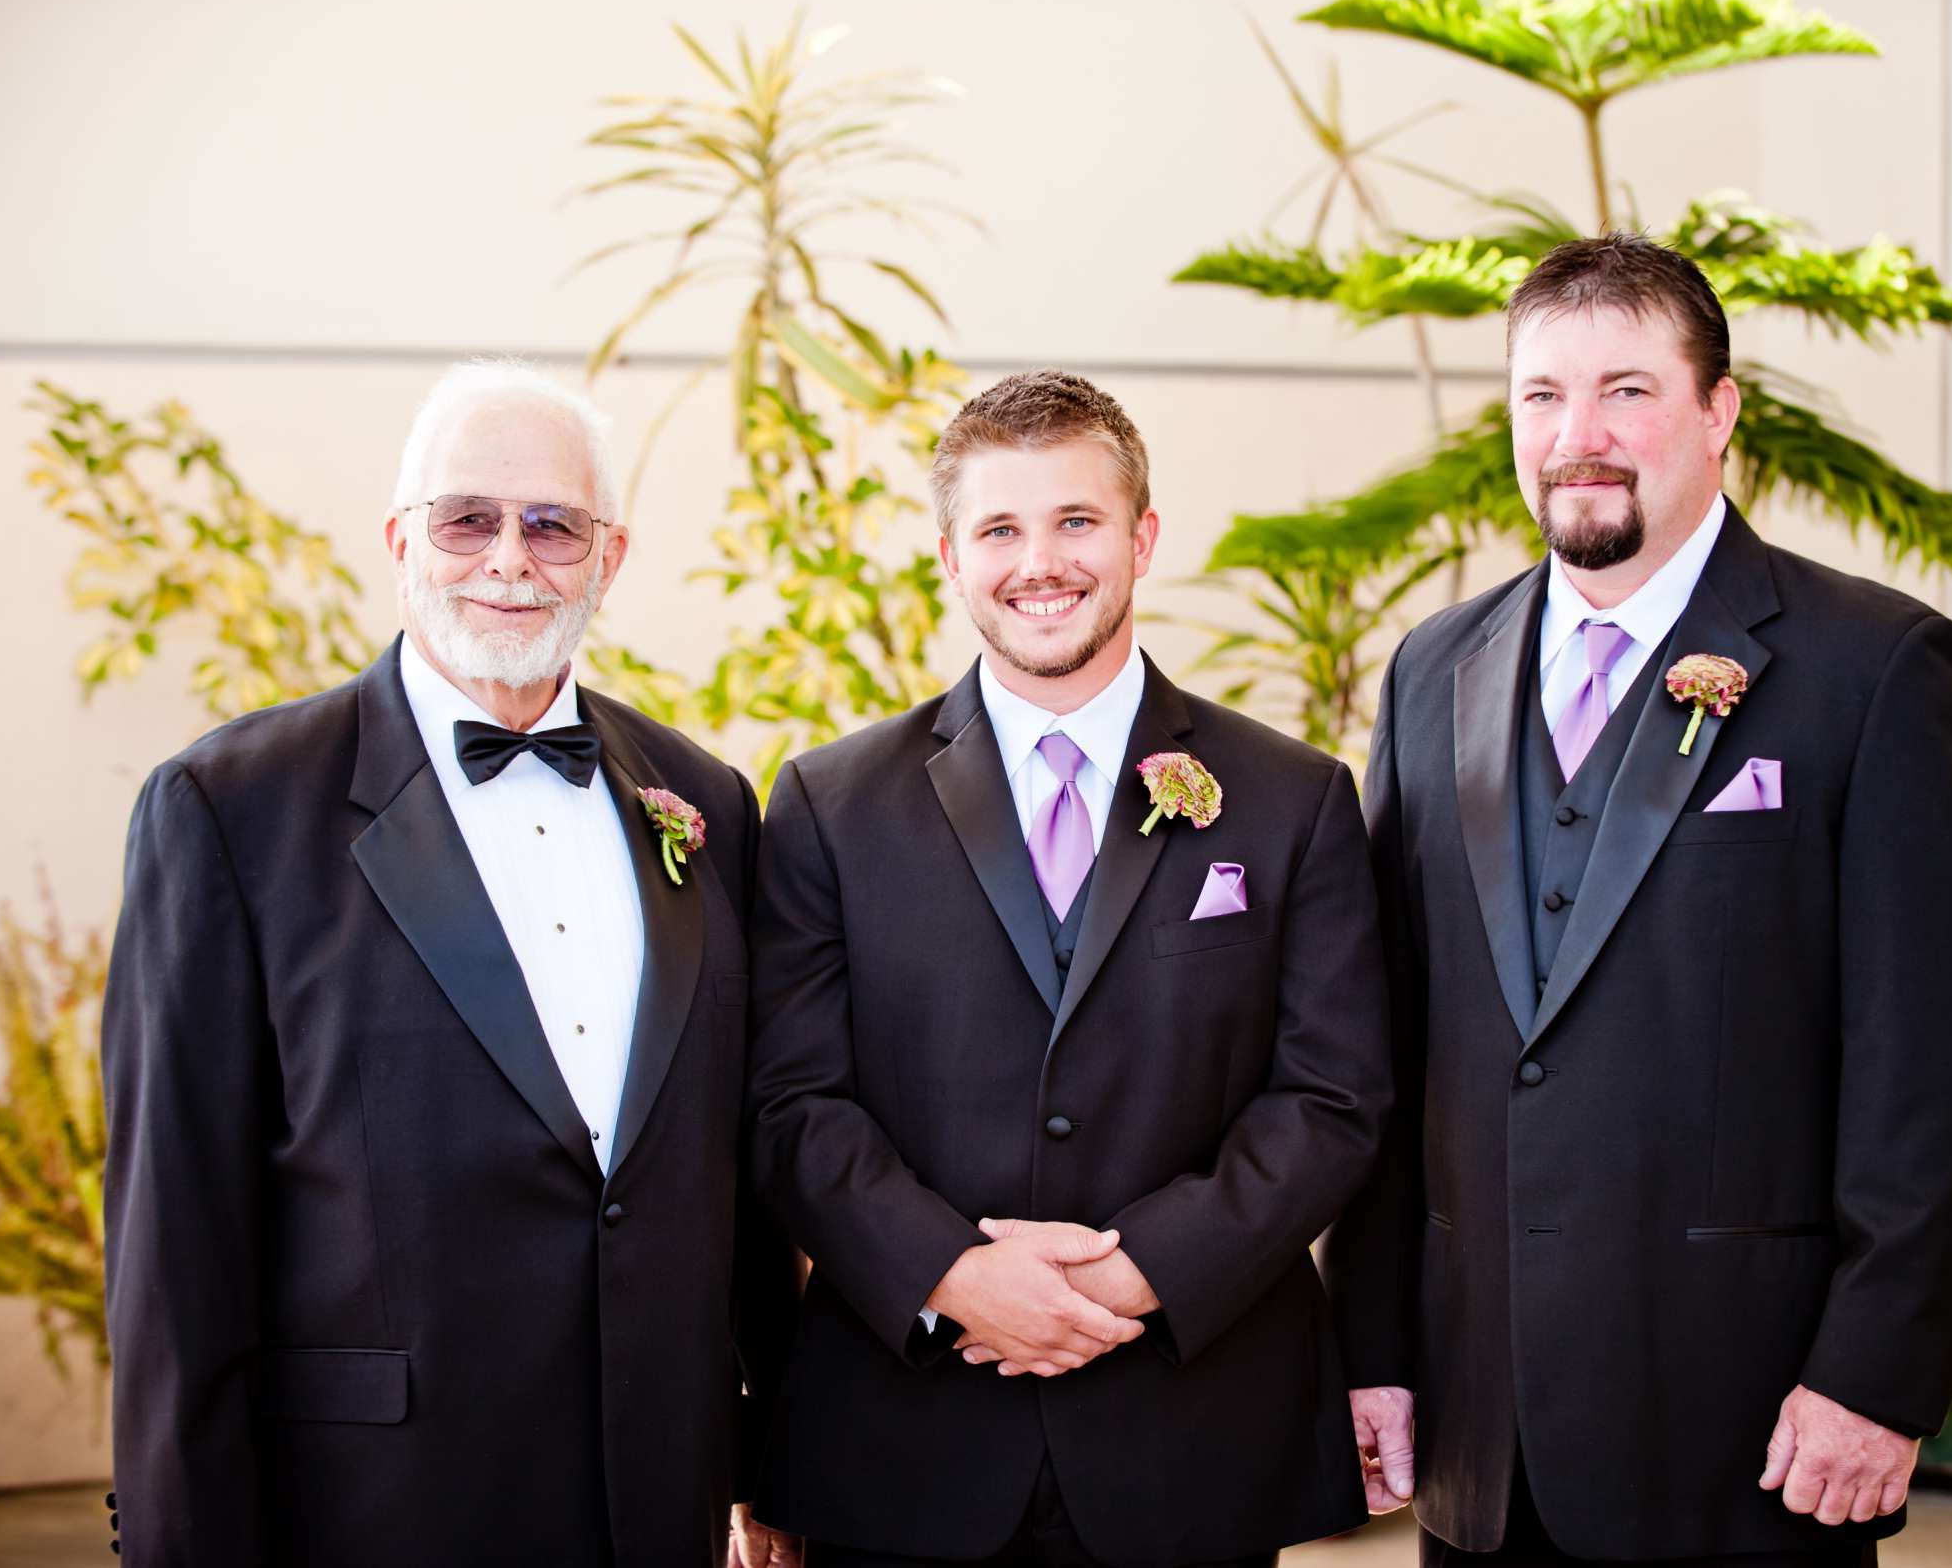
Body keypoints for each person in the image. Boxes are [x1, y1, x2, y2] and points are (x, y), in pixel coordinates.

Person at [1323, 235, 1952, 1565]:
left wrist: (1877, 1371)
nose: (1579, 436)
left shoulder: (1875, 672)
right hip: (1486, 1435)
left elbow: (1932, 1063)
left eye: (1627, 391)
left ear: (1719, 414)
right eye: (1542, 397)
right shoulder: (1430, 673)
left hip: (1750, 1434)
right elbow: (1385, 1049)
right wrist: (1376, 1348)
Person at [101, 360, 799, 1567]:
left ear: (611, 556)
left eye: (553, 525)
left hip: (656, 1497)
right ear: (401, 538)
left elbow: (731, 1176)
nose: (510, 559)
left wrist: (776, 1459)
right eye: (468, 518)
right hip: (374, 1504)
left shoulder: (707, 805)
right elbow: (174, 1242)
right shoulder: (229, 809)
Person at [745, 370, 1391, 1567]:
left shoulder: (1293, 800)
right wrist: (953, 1273)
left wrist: (1142, 1273)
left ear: (1143, 537)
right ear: (950, 554)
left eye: (1076, 521)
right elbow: (791, 1105)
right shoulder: (830, 805)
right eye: (1000, 528)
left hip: (1190, 1441)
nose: (1039, 562)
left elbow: (1333, 1097)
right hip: (902, 1442)